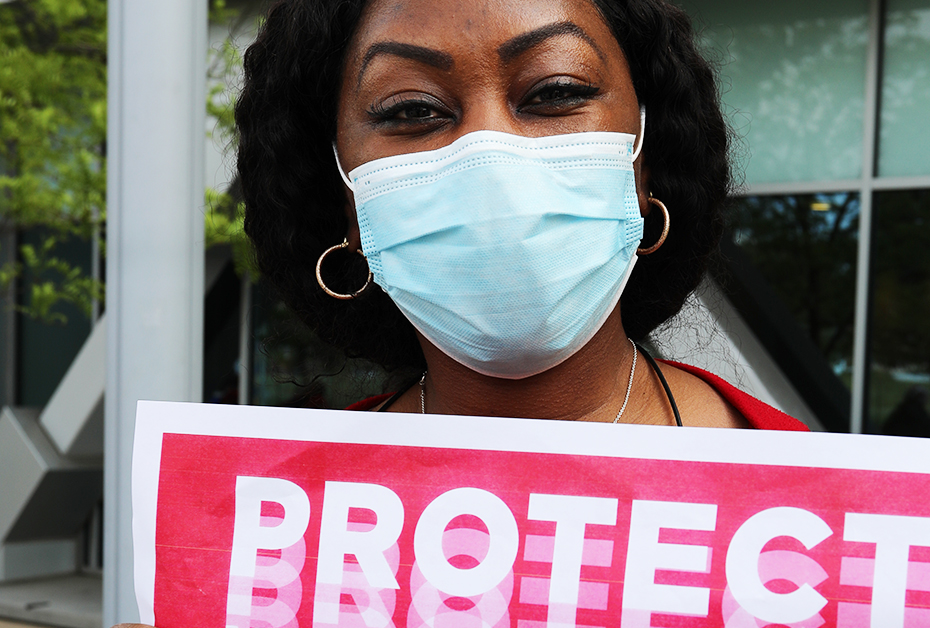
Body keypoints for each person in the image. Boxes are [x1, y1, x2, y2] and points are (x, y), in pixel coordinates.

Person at [234, 0, 808, 431]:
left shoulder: (821, 508)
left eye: (555, 92)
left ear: (645, 164)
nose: (491, 155)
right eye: (412, 108)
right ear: (346, 199)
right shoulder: (283, 532)